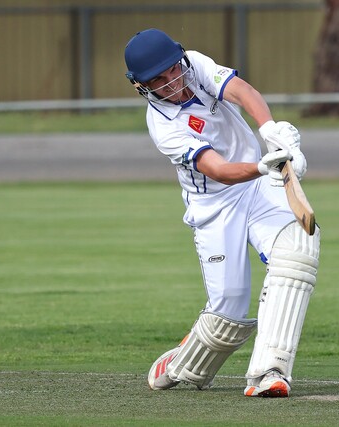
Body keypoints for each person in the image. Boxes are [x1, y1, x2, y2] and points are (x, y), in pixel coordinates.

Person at [124, 29, 320, 397]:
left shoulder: (194, 64)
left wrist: (271, 132)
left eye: (174, 70)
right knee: (227, 317)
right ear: (142, 87)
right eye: (160, 80)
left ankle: (270, 372)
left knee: (297, 251)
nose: (173, 82)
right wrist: (263, 166)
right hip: (216, 206)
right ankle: (183, 363)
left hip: (258, 188)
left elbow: (243, 92)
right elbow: (218, 170)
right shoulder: (164, 127)